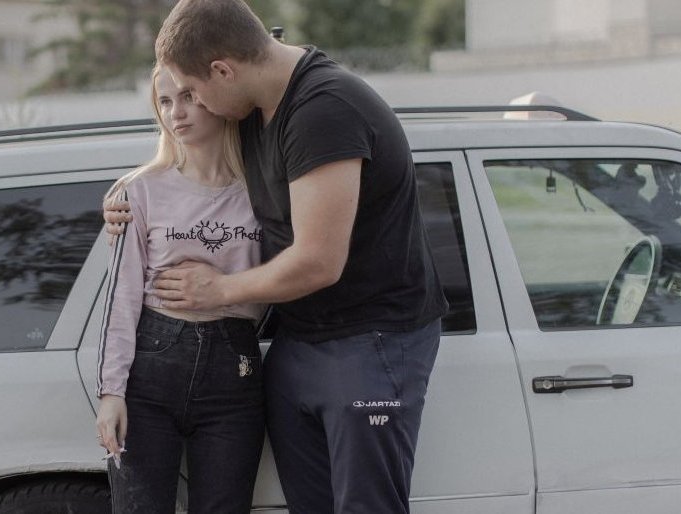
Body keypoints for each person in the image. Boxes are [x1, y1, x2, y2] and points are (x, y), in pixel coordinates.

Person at [106, 1, 448, 512]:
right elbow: (188, 181)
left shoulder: (325, 109)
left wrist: (218, 289)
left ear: (224, 70)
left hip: (371, 339)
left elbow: (318, 261)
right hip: (296, 342)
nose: (195, 105)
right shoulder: (253, 109)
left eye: (195, 91)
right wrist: (121, 203)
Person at [95, 64, 265, 514]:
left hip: (236, 369)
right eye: (165, 102)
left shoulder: (262, 190)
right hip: (151, 369)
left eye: (188, 97)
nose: (176, 113)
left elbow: (283, 276)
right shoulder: (139, 190)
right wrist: (111, 392)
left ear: (219, 97)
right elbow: (121, 298)